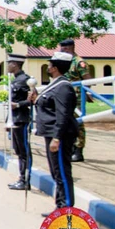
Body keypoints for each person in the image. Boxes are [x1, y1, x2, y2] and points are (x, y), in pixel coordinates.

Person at [30, 52, 78, 209]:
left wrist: (57, 138)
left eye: (50, 65)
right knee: (56, 173)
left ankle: (66, 209)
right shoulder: (56, 84)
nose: (48, 67)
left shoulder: (63, 87)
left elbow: (63, 114)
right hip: (51, 133)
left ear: (55, 68)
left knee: (62, 173)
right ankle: (60, 206)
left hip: (60, 136)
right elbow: (49, 105)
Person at [59, 38, 92, 162]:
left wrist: (85, 94)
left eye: (64, 48)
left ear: (70, 48)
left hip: (77, 97)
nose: (62, 50)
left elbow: (87, 80)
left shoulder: (79, 62)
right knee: (66, 122)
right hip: (65, 96)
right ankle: (70, 148)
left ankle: (78, 150)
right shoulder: (64, 61)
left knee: (78, 122)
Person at [6, 53, 32, 191]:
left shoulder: (25, 80)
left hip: (21, 118)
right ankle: (21, 178)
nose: (7, 65)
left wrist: (18, 105)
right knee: (18, 150)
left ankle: (26, 179)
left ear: (15, 64)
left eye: (9, 63)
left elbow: (31, 99)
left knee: (24, 151)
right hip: (14, 119)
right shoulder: (15, 79)